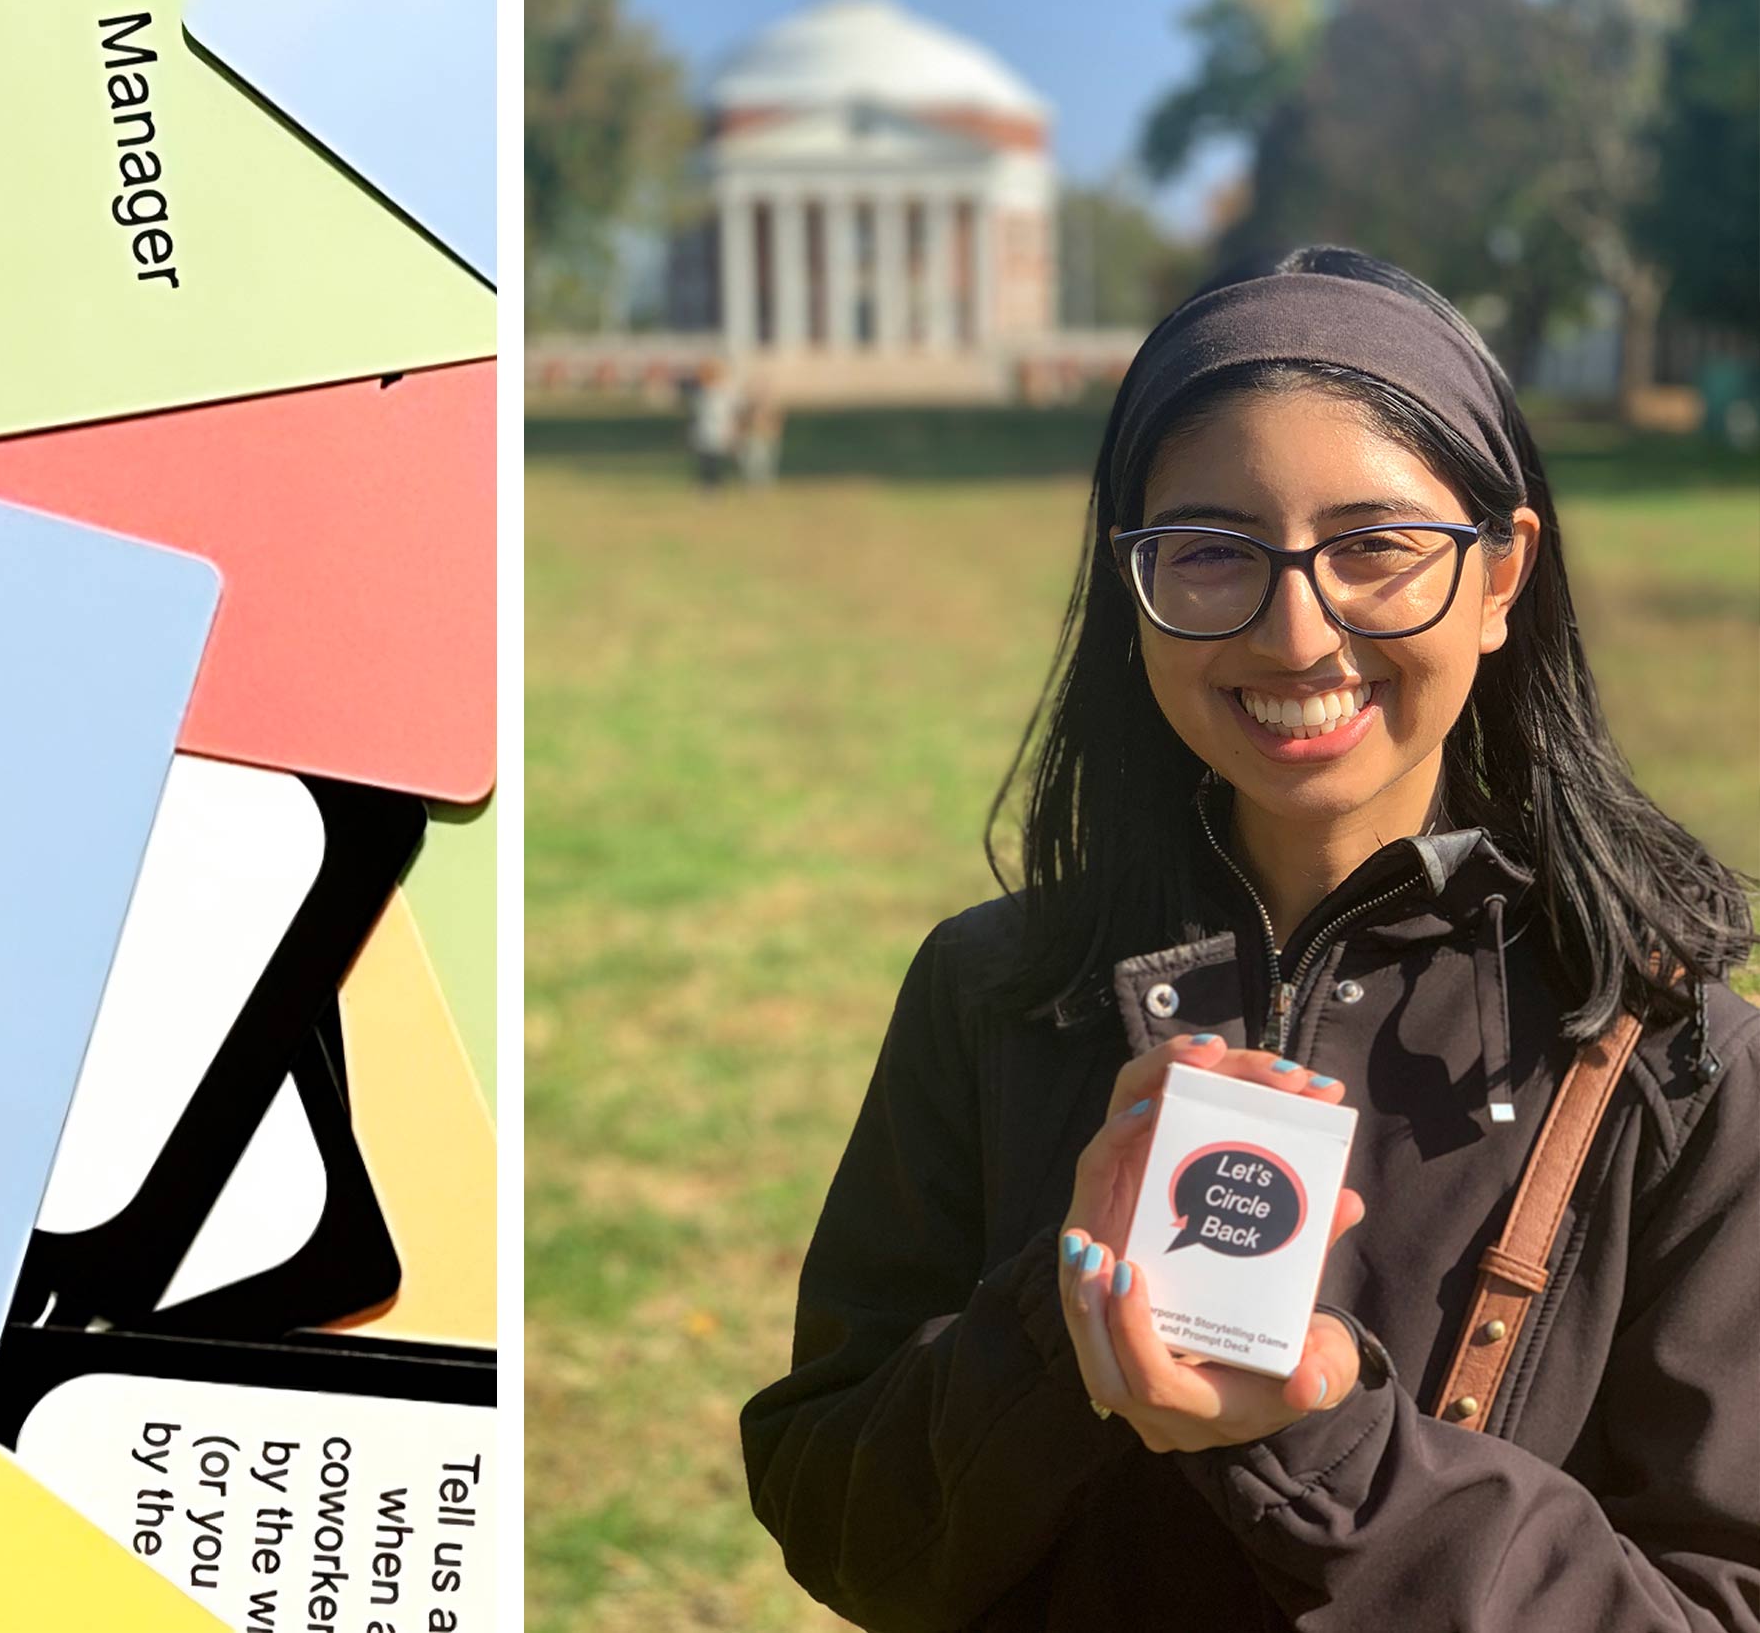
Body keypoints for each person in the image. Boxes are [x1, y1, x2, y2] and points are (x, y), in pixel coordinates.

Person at [740, 246, 1759, 1631]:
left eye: (1376, 546)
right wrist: (1061, 1319)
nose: (1297, 633)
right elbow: (841, 1526)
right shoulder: (993, 987)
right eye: (1213, 551)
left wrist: (1337, 1446)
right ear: (1131, 580)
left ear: (1503, 572)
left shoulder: (1674, 1053)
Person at [689, 359, 740, 490]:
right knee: (705, 461)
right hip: (704, 431)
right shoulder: (700, 394)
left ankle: (715, 485)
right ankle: (707, 484)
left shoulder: (722, 393)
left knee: (714, 461)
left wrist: (730, 431)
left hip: (718, 431)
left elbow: (728, 414)